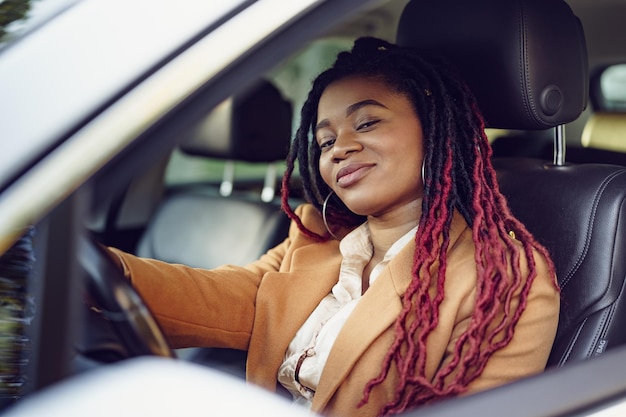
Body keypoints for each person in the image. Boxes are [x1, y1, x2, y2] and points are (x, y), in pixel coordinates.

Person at [106, 37, 560, 417]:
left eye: (366, 122)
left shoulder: (504, 277)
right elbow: (219, 297)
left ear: (436, 129)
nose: (339, 148)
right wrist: (95, 273)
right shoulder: (314, 237)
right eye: (325, 140)